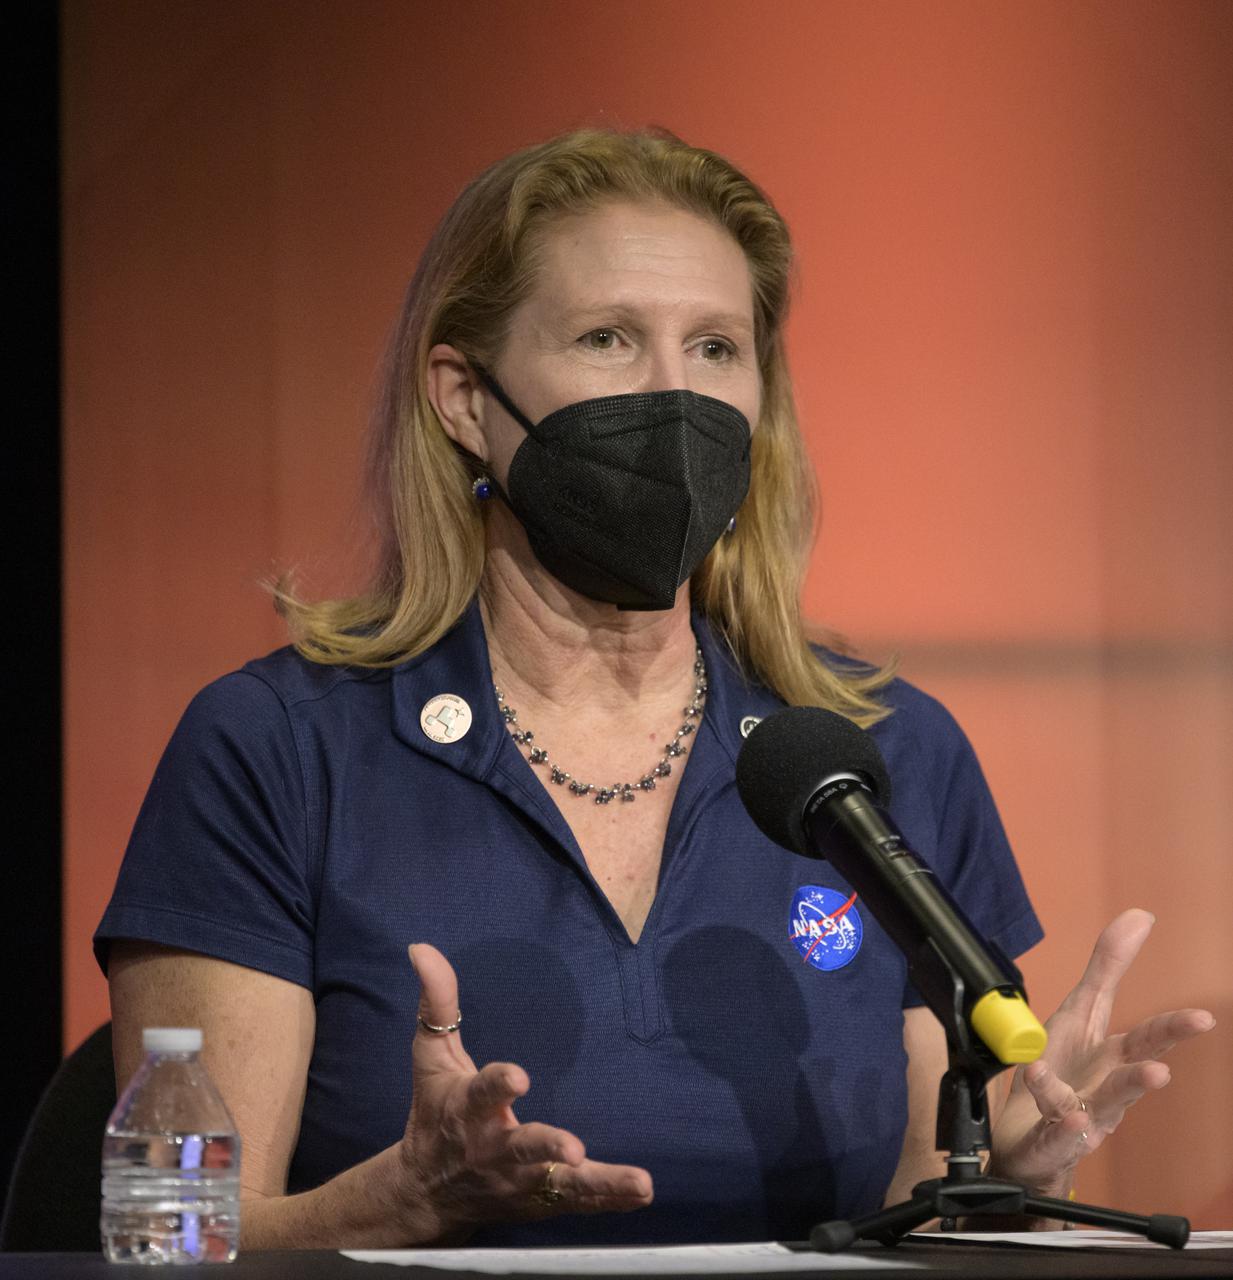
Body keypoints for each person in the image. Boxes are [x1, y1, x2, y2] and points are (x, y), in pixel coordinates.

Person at [96, 128, 1214, 1249]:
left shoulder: (875, 752)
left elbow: (908, 1205)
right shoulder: (276, 749)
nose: (675, 397)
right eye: (608, 338)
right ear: (462, 396)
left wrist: (993, 1174)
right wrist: (394, 1204)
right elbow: (172, 1240)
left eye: (719, 347)